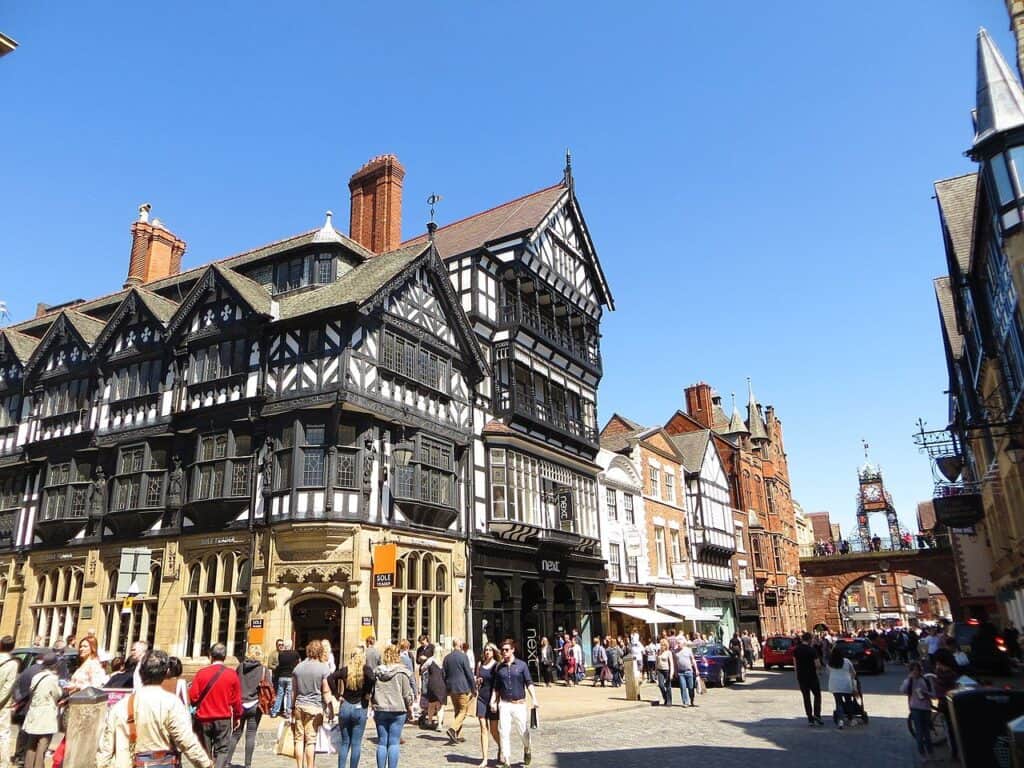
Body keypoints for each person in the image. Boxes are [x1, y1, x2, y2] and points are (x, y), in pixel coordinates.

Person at [97, 650, 213, 768]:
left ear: (141, 672)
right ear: (166, 672)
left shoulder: (120, 706)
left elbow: (106, 747)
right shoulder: (171, 703)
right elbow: (186, 741)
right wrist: (206, 764)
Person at [189, 642, 242, 768]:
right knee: (222, 751)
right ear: (225, 657)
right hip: (223, 718)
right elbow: (236, 700)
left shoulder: (201, 673)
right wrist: (237, 716)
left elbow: (193, 697)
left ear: (210, 656)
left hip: (204, 719)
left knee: (204, 752)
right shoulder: (232, 674)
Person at [491, 639, 538, 768]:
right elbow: (496, 687)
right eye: (502, 650)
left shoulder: (522, 665)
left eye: (506, 650)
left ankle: (527, 749)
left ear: (513, 650)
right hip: (505, 704)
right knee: (503, 732)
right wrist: (493, 701)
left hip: (519, 704)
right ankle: (507, 760)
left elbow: (529, 682)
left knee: (523, 731)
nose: (504, 652)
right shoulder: (499, 668)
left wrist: (534, 699)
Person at [328, 649, 374, 768]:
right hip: (360, 706)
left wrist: (337, 694)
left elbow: (330, 678)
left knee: (345, 742)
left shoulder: (345, 670)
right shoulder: (365, 669)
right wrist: (367, 692)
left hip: (346, 706)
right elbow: (372, 678)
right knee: (356, 744)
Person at [290, 640, 331, 768]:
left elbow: (294, 691)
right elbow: (325, 690)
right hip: (314, 707)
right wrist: (330, 707)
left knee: (298, 739)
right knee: (310, 741)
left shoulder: (298, 667)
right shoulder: (323, 667)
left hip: (299, 705)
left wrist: (292, 706)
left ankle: (299, 766)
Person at [372, 644, 414, 768]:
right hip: (398, 709)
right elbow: (406, 694)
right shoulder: (402, 672)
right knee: (394, 743)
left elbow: (372, 691)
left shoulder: (377, 672)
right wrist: (410, 706)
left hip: (381, 709)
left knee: (382, 742)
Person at [229, 645, 267, 768]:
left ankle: (227, 761)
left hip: (240, 704)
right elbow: (268, 687)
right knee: (251, 734)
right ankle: (247, 765)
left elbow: (234, 684)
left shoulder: (240, 667)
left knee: (235, 734)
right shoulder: (263, 670)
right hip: (255, 705)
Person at [22, 653, 62, 768]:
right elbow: (56, 695)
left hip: (33, 713)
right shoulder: (52, 679)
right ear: (55, 665)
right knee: (42, 745)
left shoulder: (36, 676)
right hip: (46, 715)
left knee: (31, 745)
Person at [443, 638, 476, 745]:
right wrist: (473, 688)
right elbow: (469, 673)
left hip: (452, 688)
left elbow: (444, 674)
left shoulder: (447, 658)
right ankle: (452, 729)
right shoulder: (463, 656)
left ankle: (458, 734)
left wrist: (447, 687)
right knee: (463, 711)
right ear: (460, 645)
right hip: (462, 687)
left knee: (457, 710)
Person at [474, 644, 501, 768]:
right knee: (483, 728)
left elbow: (499, 684)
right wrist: (478, 680)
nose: (487, 652)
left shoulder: (497, 666)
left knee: (494, 730)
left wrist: (495, 700)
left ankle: (502, 748)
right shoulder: (481, 665)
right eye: (486, 650)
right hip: (481, 699)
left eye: (490, 650)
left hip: (493, 700)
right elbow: (478, 679)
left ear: (494, 652)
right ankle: (484, 758)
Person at [901, 661, 935, 761]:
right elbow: (903, 690)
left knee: (927, 732)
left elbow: (933, 694)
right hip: (915, 709)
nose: (916, 672)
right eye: (914, 670)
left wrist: (926, 694)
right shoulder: (909, 681)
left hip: (926, 708)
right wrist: (909, 679)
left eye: (917, 670)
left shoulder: (925, 680)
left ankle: (931, 753)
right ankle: (922, 754)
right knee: (919, 732)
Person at [793, 633, 823, 726]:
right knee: (817, 695)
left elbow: (795, 664)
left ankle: (810, 718)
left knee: (806, 698)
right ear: (809, 639)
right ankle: (817, 715)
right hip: (812, 676)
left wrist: (797, 674)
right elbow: (817, 664)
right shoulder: (812, 650)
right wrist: (819, 671)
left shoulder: (796, 649)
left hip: (801, 677)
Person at [826, 646, 857, 729]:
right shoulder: (846, 661)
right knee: (848, 701)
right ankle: (851, 719)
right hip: (846, 684)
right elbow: (853, 672)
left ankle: (840, 720)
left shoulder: (830, 663)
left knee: (838, 703)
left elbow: (828, 673)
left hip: (835, 685)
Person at [271, 640, 300, 719]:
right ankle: (288, 712)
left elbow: (280, 664)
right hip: (290, 676)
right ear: (291, 645)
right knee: (289, 695)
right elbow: (299, 663)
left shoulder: (281, 654)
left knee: (280, 694)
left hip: (281, 676)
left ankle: (274, 712)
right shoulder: (295, 653)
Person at [0, 636, 17, 768]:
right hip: (2, 705)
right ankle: (4, 763)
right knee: (3, 734)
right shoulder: (12, 664)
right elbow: (7, 687)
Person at [672, 638, 696, 707]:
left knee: (691, 687)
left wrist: (696, 669)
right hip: (681, 672)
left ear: (683, 644)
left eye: (679, 643)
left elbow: (693, 660)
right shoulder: (675, 652)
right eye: (678, 643)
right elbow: (675, 663)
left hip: (689, 671)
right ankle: (685, 702)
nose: (678, 645)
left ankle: (691, 699)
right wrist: (675, 671)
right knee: (683, 687)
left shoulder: (688, 650)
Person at [655, 639, 675, 707]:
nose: (662, 646)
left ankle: (669, 701)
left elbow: (671, 663)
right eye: (661, 645)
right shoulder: (658, 652)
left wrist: (671, 673)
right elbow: (656, 661)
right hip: (660, 670)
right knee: (661, 685)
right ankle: (665, 697)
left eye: (663, 645)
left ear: (666, 646)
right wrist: (655, 671)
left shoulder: (668, 652)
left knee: (668, 686)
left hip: (666, 670)